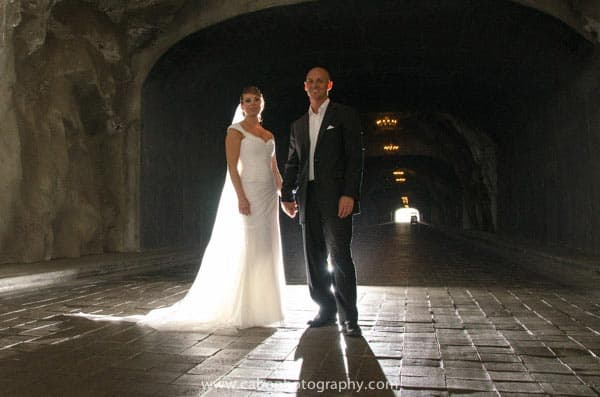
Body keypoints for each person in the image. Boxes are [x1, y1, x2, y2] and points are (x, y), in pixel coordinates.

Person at [73, 87, 286, 331]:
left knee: (267, 248)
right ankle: (245, 308)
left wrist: (284, 197)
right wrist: (241, 197)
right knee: (250, 245)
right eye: (248, 100)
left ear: (262, 103)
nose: (252, 104)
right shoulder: (235, 131)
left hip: (268, 196)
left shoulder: (268, 134)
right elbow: (232, 167)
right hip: (249, 191)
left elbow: (275, 170)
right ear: (242, 104)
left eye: (256, 100)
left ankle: (265, 308)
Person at [281, 67, 363, 337]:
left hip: (336, 197)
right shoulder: (298, 124)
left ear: (329, 85)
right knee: (314, 258)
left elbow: (354, 158)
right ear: (305, 87)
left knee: (339, 256)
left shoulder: (344, 115)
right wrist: (287, 195)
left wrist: (349, 193)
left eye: (320, 82)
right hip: (308, 198)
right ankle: (325, 310)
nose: (315, 86)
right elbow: (293, 163)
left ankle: (349, 318)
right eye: (311, 82)